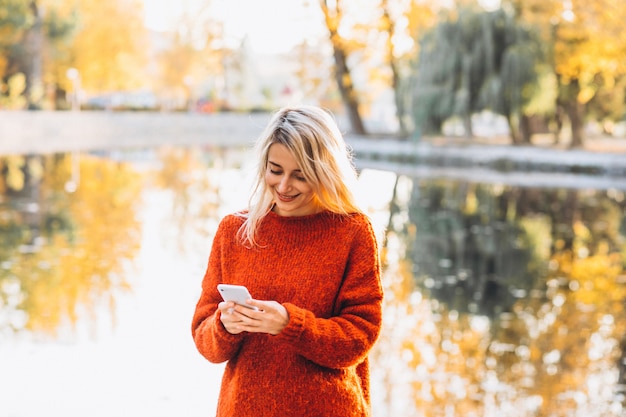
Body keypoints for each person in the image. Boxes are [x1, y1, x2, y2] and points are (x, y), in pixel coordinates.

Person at [191, 105, 384, 417]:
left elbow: (360, 335)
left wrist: (291, 325)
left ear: (325, 172)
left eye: (300, 176)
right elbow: (204, 337)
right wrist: (223, 326)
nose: (283, 187)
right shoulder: (234, 232)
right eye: (275, 170)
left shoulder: (353, 232)